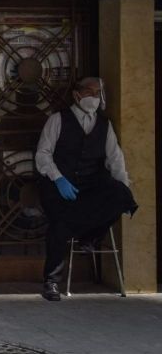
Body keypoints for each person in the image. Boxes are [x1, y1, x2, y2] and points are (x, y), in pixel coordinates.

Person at [34, 77, 138, 301]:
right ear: (77, 94)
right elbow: (42, 155)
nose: (93, 96)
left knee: (121, 195)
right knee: (60, 224)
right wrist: (59, 178)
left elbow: (115, 159)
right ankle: (51, 281)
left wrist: (124, 191)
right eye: (88, 91)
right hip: (58, 187)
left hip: (90, 187)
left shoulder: (104, 124)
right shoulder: (57, 120)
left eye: (97, 92)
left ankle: (89, 237)